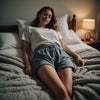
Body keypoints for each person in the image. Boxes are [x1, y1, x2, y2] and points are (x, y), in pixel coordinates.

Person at [22, 6, 85, 100]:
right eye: (45, 14)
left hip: (60, 54)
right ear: (39, 15)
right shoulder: (29, 29)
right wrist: (28, 65)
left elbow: (63, 46)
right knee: (61, 92)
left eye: (49, 16)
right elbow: (25, 50)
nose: (47, 17)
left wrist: (77, 56)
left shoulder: (54, 30)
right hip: (42, 55)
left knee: (68, 92)